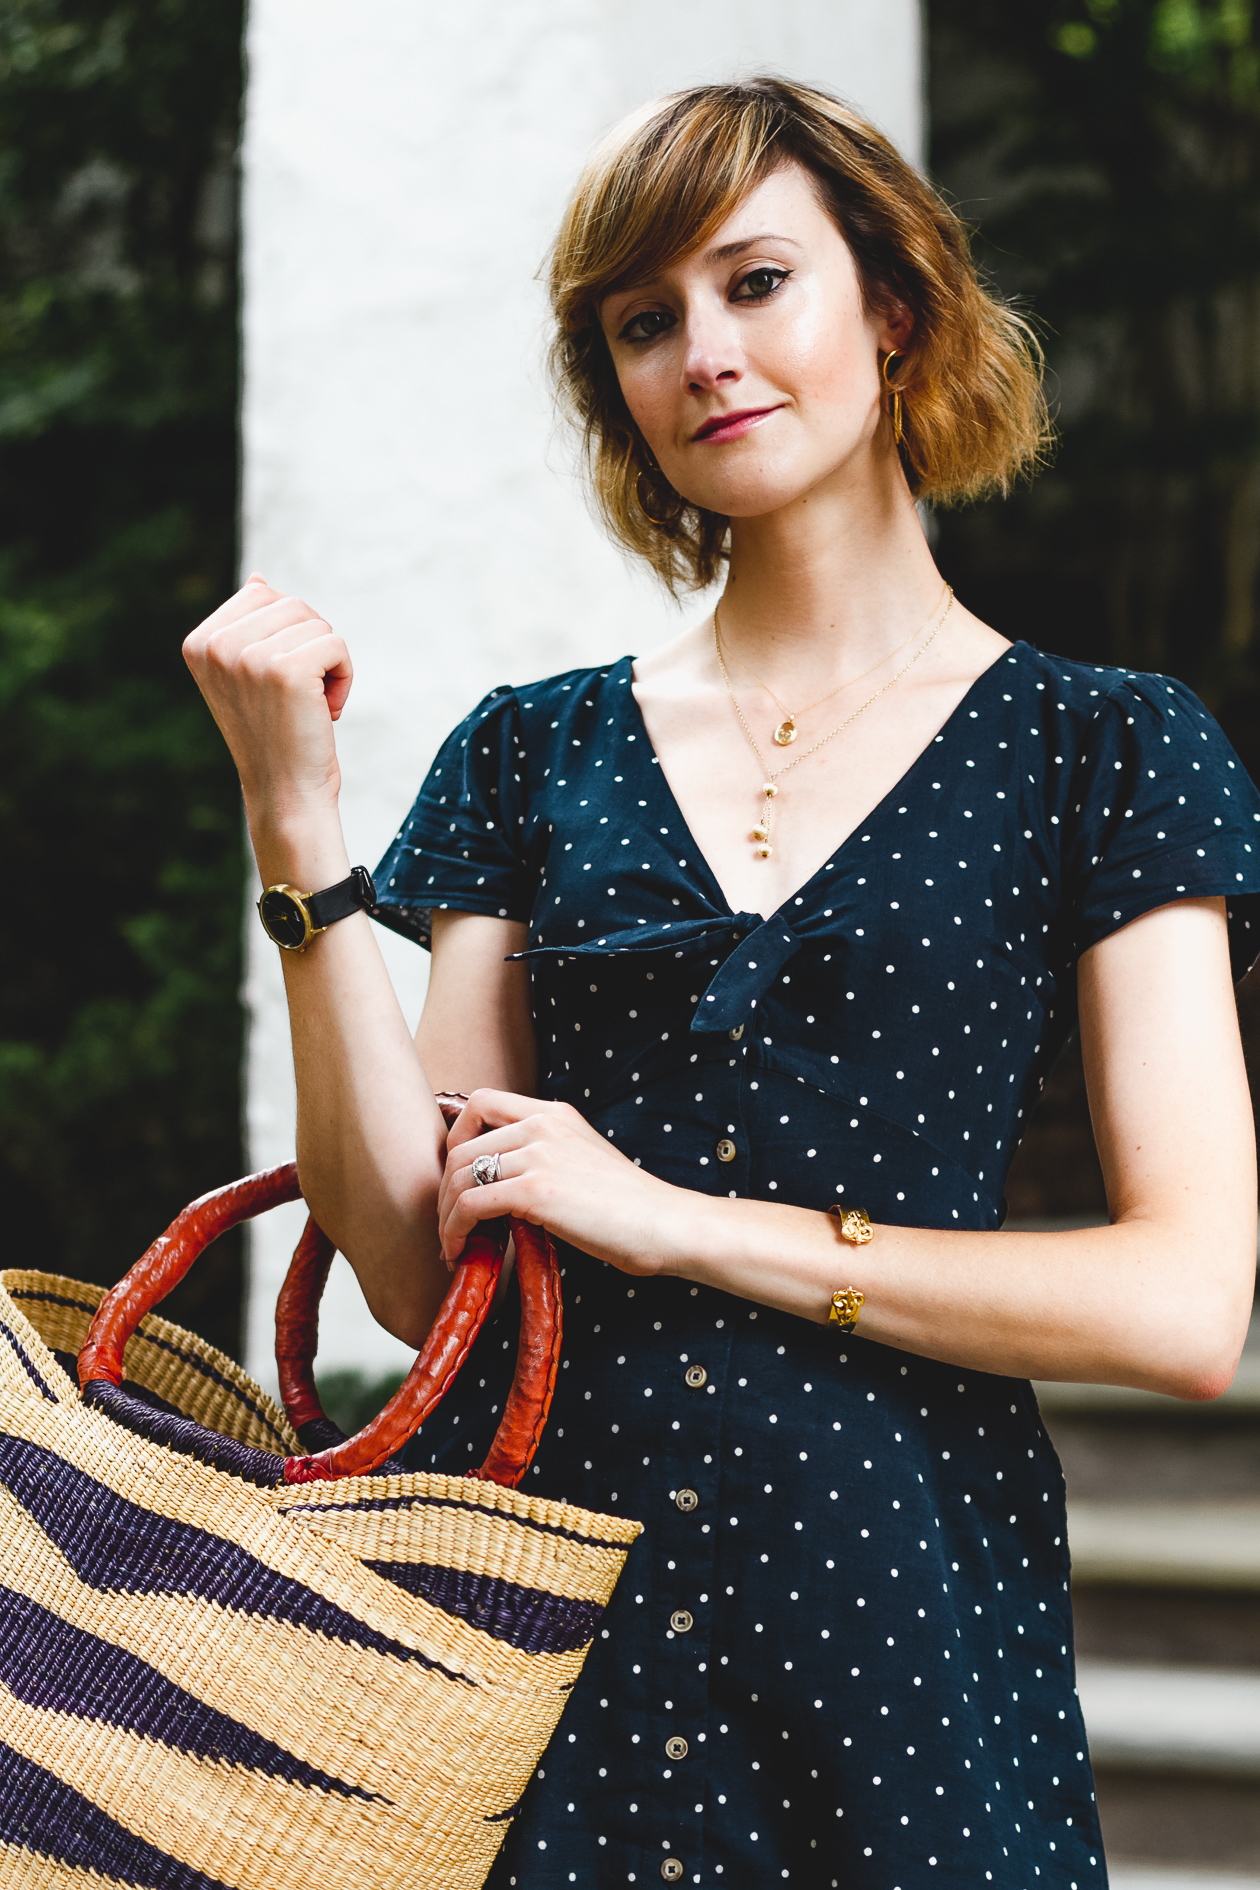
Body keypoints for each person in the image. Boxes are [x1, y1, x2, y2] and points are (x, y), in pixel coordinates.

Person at [185, 77, 1259, 1890]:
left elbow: (1178, 1302)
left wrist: (679, 1220)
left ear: (892, 312)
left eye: (757, 283)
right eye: (643, 320)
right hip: (547, 1628)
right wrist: (296, 825)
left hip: (904, 1628)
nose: (704, 351)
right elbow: (404, 1254)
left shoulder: (1104, 748)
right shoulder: (535, 754)